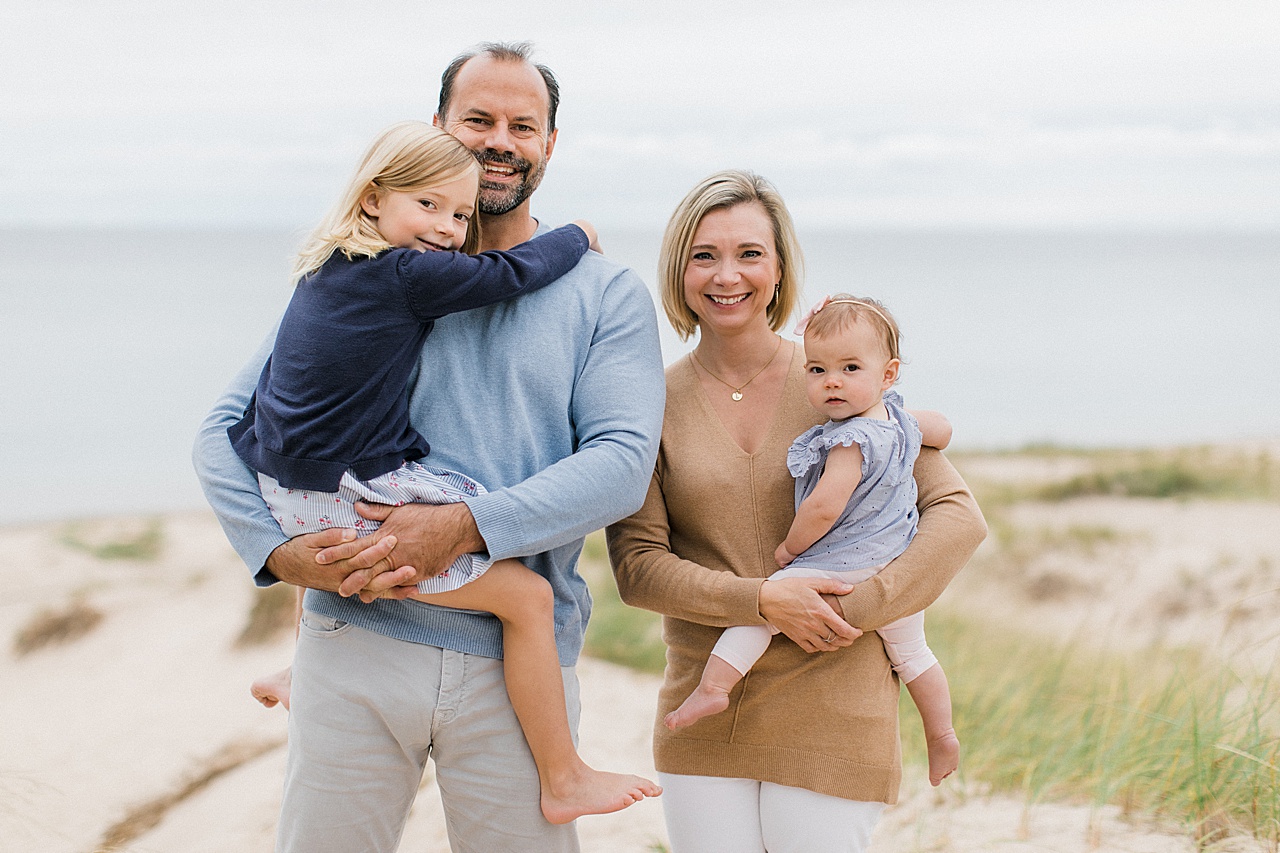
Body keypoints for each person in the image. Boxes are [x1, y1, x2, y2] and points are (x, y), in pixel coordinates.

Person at [194, 41, 665, 852]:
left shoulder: (605, 292)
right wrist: (285, 556)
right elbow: (223, 432)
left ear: (550, 144)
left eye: (525, 125)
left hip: (516, 676)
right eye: (478, 119)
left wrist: (462, 525)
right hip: (354, 644)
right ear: (440, 126)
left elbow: (621, 468)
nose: (500, 140)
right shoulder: (369, 272)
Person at [607, 170, 986, 853]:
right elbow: (638, 568)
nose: (728, 275)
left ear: (780, 268)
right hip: (706, 706)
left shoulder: (839, 375)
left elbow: (958, 518)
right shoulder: (646, 404)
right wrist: (764, 601)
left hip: (835, 703)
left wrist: (855, 604)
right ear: (678, 270)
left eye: (750, 253)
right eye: (704, 255)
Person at [663, 293, 961, 788]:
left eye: (849, 368)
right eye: (817, 370)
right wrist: (909, 416)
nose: (832, 382)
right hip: (893, 562)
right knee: (913, 653)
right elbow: (944, 430)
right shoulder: (900, 423)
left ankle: (713, 687)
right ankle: (941, 732)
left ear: (888, 375)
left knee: (762, 613)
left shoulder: (849, 439)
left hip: (843, 562)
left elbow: (824, 505)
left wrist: (790, 551)